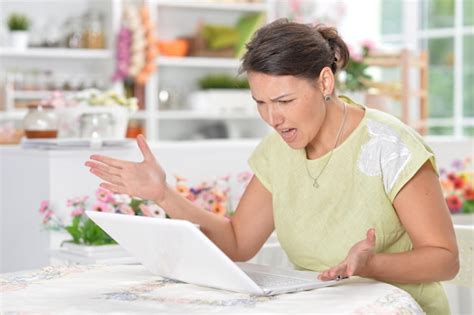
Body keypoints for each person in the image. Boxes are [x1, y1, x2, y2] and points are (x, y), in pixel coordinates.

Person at [85, 19, 458, 315]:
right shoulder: (278, 151)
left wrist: (369, 264)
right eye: (260, 103)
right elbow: (237, 243)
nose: (272, 118)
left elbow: (444, 260)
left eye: (284, 100)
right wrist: (162, 195)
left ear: (324, 82)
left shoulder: (390, 145)